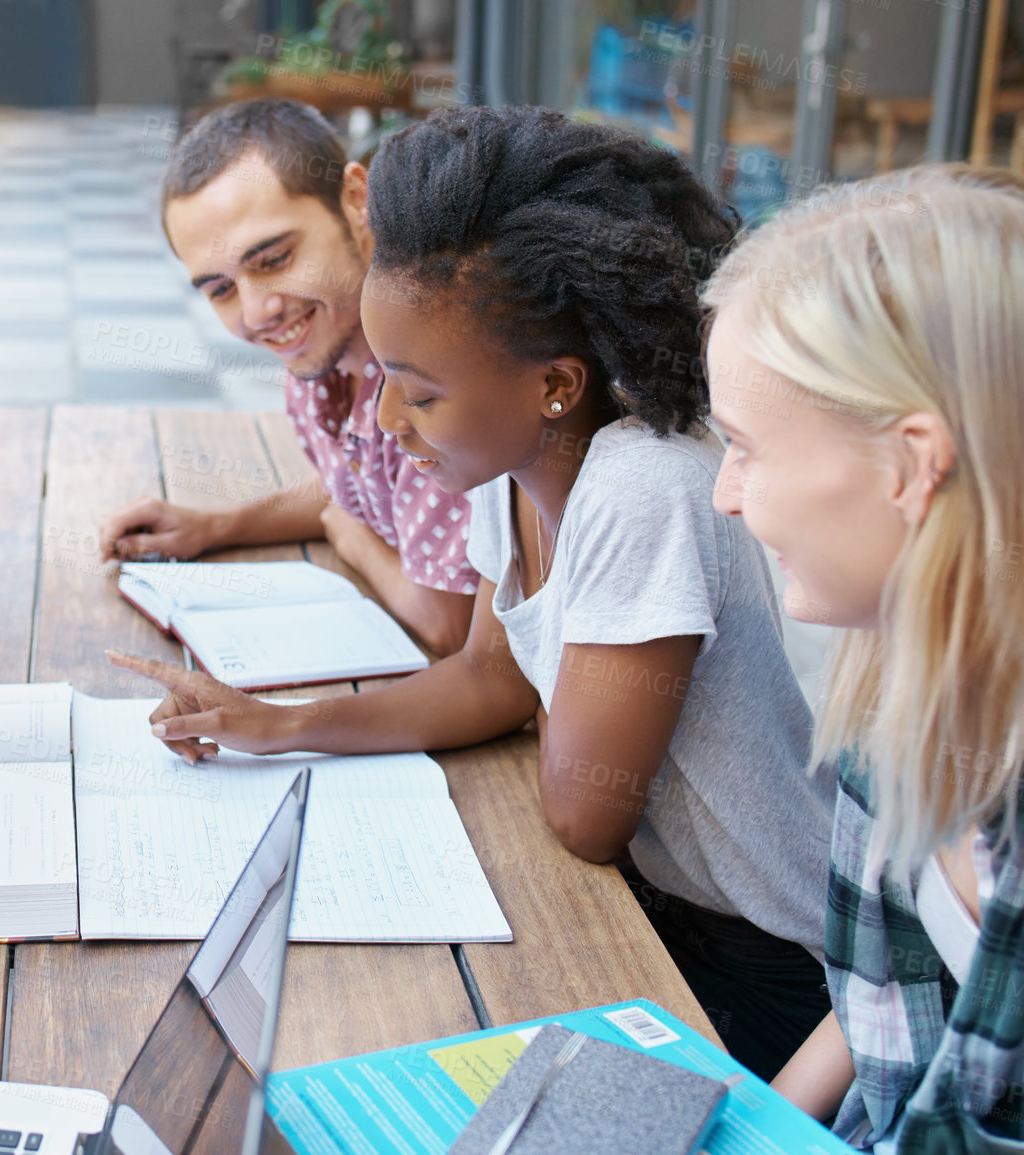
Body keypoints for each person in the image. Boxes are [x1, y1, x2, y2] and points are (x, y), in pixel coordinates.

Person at [110, 105, 835, 1080]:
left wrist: (539, 712)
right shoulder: (511, 470)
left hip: (765, 967)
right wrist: (274, 723)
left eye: (418, 387)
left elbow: (584, 813)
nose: (388, 417)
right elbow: (488, 678)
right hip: (658, 908)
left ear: (554, 385)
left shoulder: (639, 487)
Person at [713, 167, 1024, 1150]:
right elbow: (876, 1012)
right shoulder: (896, 673)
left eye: (746, 448)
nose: (725, 493)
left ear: (912, 462)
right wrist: (740, 1126)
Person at [97, 99, 479, 655]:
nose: (256, 314)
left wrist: (347, 536)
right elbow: (357, 489)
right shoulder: (319, 356)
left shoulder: (433, 372)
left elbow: (448, 623)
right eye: (221, 290)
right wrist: (213, 528)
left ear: (355, 200)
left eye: (273, 260)